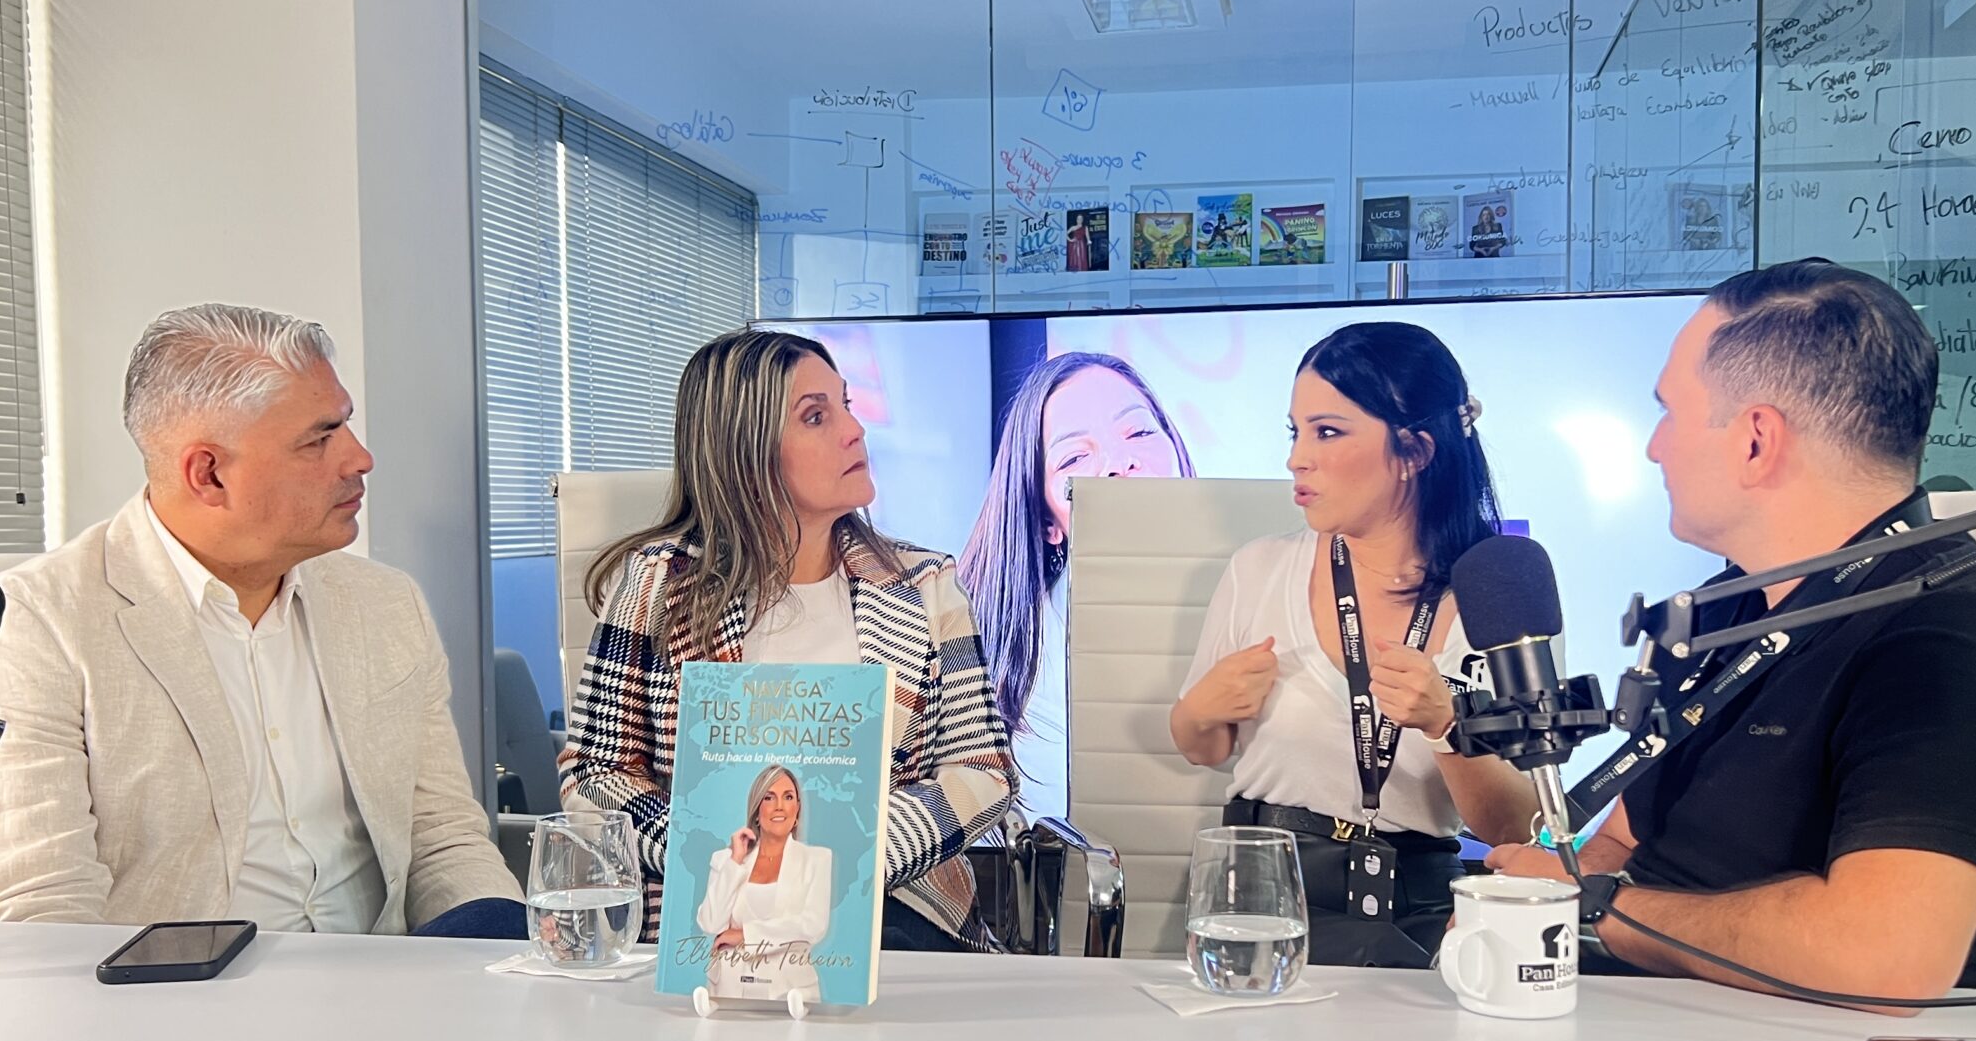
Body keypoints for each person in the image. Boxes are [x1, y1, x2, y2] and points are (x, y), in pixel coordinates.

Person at [1485, 259, 1976, 999]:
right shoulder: (1711, 613)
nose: (1654, 447)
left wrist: (1596, 909)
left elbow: (1883, 958)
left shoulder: (1954, 637)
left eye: (1670, 413)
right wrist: (1539, 897)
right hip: (1659, 1015)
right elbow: (1622, 842)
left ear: (1755, 440)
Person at [0, 305, 524, 936]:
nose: (360, 458)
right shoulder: (35, 627)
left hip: (395, 983)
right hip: (168, 991)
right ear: (208, 474)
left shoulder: (386, 604)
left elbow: (443, 837)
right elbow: (30, 915)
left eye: (346, 424)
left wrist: (500, 951)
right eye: (319, 439)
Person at [563, 328, 1017, 951]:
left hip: (893, 909)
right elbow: (595, 774)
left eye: (846, 405)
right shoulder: (658, 584)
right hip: (712, 913)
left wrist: (854, 854)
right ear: (745, 455)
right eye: (816, 416)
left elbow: (984, 772)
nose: (854, 430)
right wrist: (709, 845)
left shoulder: (926, 585)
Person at [1168, 323, 1542, 967]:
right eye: (1294, 432)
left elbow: (1519, 828)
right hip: (1263, 894)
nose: (1297, 458)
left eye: (1327, 432)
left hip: (1419, 907)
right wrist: (1199, 709)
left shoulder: (1499, 591)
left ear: (1415, 450)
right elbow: (1205, 748)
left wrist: (1446, 726)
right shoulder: (1259, 569)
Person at [960, 350, 1194, 820]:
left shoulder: (1259, 594)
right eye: (1074, 457)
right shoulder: (1023, 668)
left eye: (1139, 432)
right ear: (1048, 521)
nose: (1119, 462)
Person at [693, 765, 833, 1003]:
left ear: (797, 809)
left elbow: (812, 925)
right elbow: (711, 922)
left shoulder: (817, 860)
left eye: (788, 797)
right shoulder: (725, 860)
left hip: (790, 994)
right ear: (757, 810)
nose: (779, 806)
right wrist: (735, 861)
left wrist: (746, 935)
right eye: (769, 797)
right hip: (728, 990)